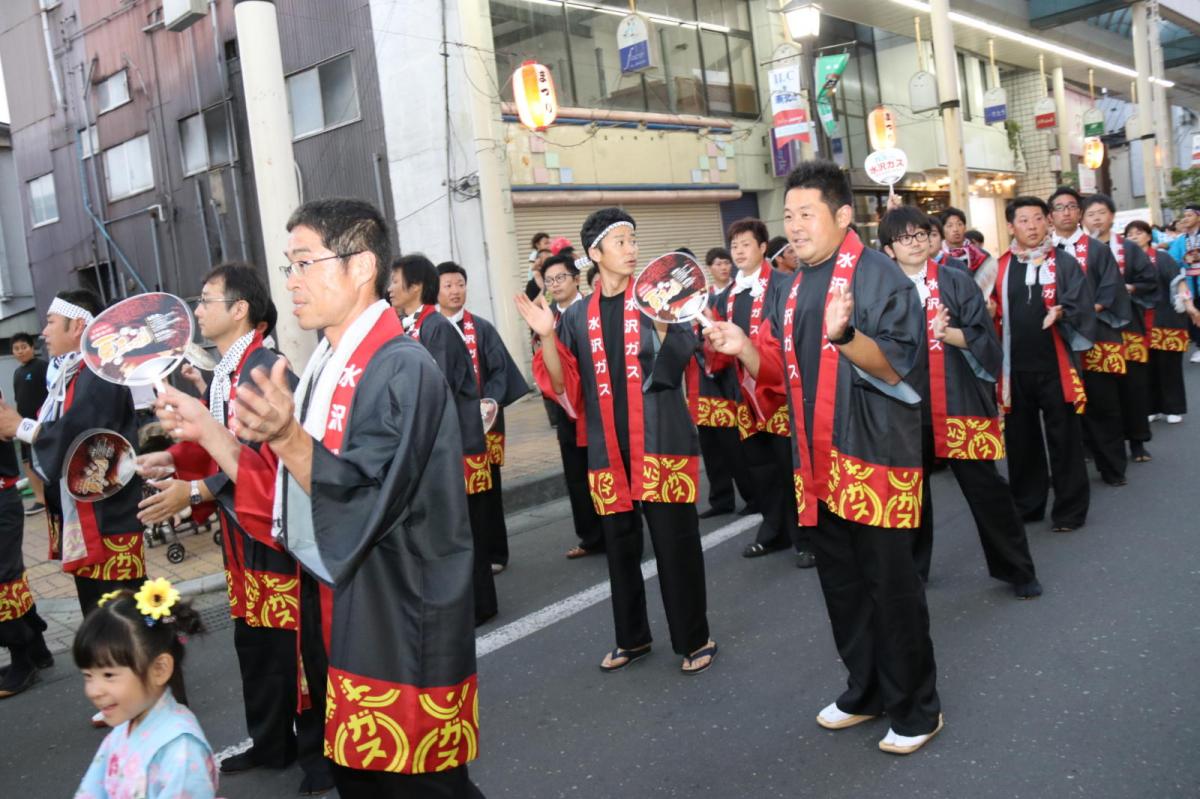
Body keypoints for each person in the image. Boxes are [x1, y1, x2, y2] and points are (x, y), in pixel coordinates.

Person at [158, 199, 483, 797]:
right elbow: (284, 493)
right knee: (366, 779)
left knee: (421, 787)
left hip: (397, 616)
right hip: (343, 609)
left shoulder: (400, 366)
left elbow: (365, 499)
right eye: (288, 266)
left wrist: (284, 435)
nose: (291, 281)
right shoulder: (330, 363)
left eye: (304, 263)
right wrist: (209, 431)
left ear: (361, 267)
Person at [705, 161, 941, 754]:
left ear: (842, 215)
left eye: (806, 214)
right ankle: (865, 691)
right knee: (841, 584)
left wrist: (845, 338)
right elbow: (781, 374)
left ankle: (917, 707)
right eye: (788, 215)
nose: (796, 225)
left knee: (892, 587)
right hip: (815, 461)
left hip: (874, 457)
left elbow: (897, 364)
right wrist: (743, 350)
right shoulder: (790, 282)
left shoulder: (880, 276)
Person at [132, 264, 330, 794]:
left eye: (206, 300)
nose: (197, 311)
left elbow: (265, 458)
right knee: (256, 641)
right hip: (242, 533)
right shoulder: (228, 371)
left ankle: (319, 752)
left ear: (240, 309)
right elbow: (214, 443)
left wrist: (195, 491)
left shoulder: (267, 369)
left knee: (295, 646)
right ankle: (270, 742)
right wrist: (173, 459)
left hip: (273, 528)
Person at [516, 207, 717, 676]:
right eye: (621, 242)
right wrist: (546, 335)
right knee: (620, 550)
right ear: (595, 253)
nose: (632, 250)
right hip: (609, 451)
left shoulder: (653, 299)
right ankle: (633, 637)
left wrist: (666, 322)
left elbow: (678, 359)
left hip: (659, 442)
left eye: (633, 240)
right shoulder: (578, 315)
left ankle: (694, 636)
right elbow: (564, 383)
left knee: (675, 545)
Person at [879, 208, 1041, 597]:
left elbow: (985, 339)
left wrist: (948, 333)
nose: (916, 242)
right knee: (909, 494)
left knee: (987, 489)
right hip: (904, 408)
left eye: (921, 234)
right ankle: (914, 571)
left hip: (958, 400)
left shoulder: (955, 280)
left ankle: (1018, 570)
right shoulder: (879, 289)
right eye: (905, 237)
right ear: (888, 249)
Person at [0, 290, 145, 613]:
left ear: (78, 326)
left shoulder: (98, 372)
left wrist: (20, 426)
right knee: (101, 617)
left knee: (120, 620)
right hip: (93, 514)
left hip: (109, 520)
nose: (44, 332)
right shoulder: (75, 372)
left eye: (51, 322)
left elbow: (80, 434)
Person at [391, 254, 498, 625]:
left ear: (415, 287)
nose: (390, 287)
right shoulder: (418, 326)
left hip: (456, 447)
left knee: (462, 527)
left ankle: (479, 605)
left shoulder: (433, 328)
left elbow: (434, 392)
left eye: (395, 280)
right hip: (444, 444)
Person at [708, 217, 814, 567]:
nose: (738, 251)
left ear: (763, 247)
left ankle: (806, 537)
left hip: (780, 391)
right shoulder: (726, 294)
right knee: (761, 467)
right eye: (733, 245)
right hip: (743, 394)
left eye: (745, 244)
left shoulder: (785, 284)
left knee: (791, 465)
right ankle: (773, 530)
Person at [993, 197, 1095, 532]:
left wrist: (1062, 311)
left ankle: (1070, 511)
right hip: (1015, 370)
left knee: (1064, 440)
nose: (1033, 226)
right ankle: (1028, 504)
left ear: (1047, 222)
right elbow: (983, 307)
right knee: (1022, 443)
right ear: (1011, 226)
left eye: (1038, 218)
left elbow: (1082, 303)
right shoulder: (999, 265)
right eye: (1024, 220)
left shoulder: (1063, 263)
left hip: (1056, 367)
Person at [73, 579, 217, 799]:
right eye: (88, 676)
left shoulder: (181, 751)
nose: (94, 690)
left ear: (159, 669)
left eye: (109, 675)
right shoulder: (126, 724)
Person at [437, 261, 529, 573]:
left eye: (459, 284)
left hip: (481, 425)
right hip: (446, 429)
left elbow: (500, 370)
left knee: (487, 492)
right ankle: (464, 557)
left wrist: (485, 405)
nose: (455, 291)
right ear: (435, 290)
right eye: (448, 285)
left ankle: (494, 554)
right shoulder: (430, 330)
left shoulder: (482, 328)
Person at [1049, 186, 1131, 487]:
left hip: (1096, 335)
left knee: (1103, 405)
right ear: (1050, 215)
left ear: (1079, 213)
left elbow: (1110, 290)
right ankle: (1068, 473)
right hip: (1057, 339)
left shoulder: (1097, 249)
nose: (1067, 212)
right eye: (1060, 207)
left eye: (1072, 206)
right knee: (1063, 409)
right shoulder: (1042, 252)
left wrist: (1078, 312)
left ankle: (1112, 466)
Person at [1082, 194, 1160, 463]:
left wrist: (1129, 287)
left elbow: (1150, 280)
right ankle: (1098, 444)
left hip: (1128, 328)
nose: (1096, 218)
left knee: (1134, 387)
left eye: (1101, 213)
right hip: (1096, 331)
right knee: (1099, 391)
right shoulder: (1078, 251)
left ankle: (1137, 441)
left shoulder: (1128, 248)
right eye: (1090, 214)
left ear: (1112, 216)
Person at [540, 254, 605, 558]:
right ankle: (591, 537)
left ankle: (618, 530)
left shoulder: (593, 309)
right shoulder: (546, 318)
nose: (555, 285)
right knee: (577, 478)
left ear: (576, 278)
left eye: (560, 278)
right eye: (550, 280)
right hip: (568, 411)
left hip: (596, 407)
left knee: (604, 470)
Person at [692, 245, 757, 521]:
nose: (723, 267)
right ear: (709, 267)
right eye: (717, 263)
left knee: (734, 445)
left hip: (728, 380)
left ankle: (752, 496)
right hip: (701, 383)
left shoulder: (735, 294)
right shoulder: (698, 299)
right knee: (711, 447)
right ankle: (721, 498)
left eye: (725, 263)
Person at [0, 397, 53, 697]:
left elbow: (7, 429)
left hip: (3, 501)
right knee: (10, 576)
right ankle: (38, 650)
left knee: (4, 579)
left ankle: (22, 659)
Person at [1126, 220, 1194, 423]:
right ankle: (1150, 407)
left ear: (1149, 236)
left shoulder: (1162, 259)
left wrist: (1188, 304)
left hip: (1164, 318)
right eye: (1129, 234)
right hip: (1136, 321)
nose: (1134, 237)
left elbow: (1178, 282)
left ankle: (1173, 408)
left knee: (1169, 367)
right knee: (1144, 368)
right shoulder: (1124, 261)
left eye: (1138, 233)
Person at [11, 332, 48, 515]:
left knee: (43, 459)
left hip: (41, 424)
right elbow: (19, 400)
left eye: (24, 347)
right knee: (27, 462)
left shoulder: (42, 367)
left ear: (32, 347)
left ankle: (49, 497)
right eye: (16, 349)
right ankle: (39, 499)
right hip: (23, 425)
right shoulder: (17, 373)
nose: (20, 351)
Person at [1166, 204, 1200, 361]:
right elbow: (1171, 260)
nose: (1185, 219)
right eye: (1184, 216)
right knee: (1193, 314)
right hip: (1190, 281)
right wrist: (1183, 259)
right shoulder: (1181, 240)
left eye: (1189, 215)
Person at [941, 207, 998, 296]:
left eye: (959, 224)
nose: (956, 229)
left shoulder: (982, 256)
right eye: (950, 225)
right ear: (942, 230)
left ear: (965, 227)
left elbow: (993, 285)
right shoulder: (937, 257)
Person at [525, 233, 553, 301]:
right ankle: (545, 291)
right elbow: (533, 268)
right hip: (534, 276)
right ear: (537, 245)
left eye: (549, 243)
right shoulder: (535, 254)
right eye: (546, 243)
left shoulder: (548, 253)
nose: (549, 245)